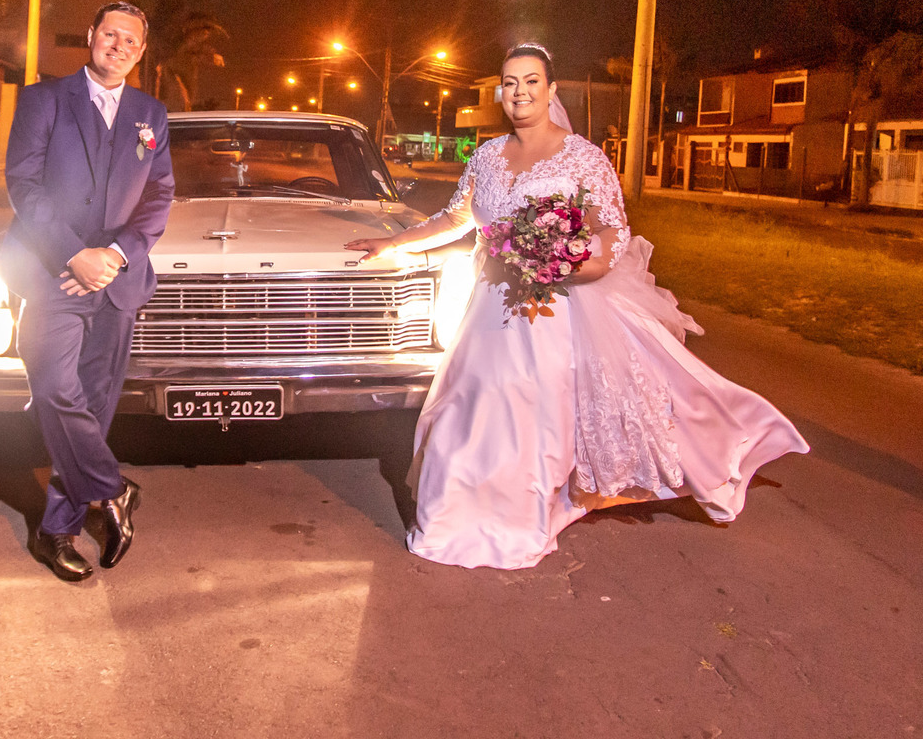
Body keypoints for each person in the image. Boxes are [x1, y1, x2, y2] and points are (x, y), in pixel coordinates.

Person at [345, 43, 808, 570]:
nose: (520, 92)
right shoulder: (486, 156)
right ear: (500, 93)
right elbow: (455, 219)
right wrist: (393, 243)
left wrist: (573, 264)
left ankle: (517, 520)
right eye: (510, 83)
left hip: (548, 312)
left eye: (531, 81)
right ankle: (453, 518)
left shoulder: (583, 157)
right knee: (465, 409)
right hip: (489, 309)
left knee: (528, 412)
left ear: (551, 90)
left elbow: (613, 230)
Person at [0, 1, 175, 581]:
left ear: (141, 52)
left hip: (117, 281)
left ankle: (57, 532)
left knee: (95, 408)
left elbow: (159, 195)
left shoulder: (151, 113)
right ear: (92, 35)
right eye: (111, 34)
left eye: (131, 40)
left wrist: (117, 255)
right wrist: (74, 253)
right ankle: (113, 488)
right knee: (54, 388)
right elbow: (24, 183)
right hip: (55, 270)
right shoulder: (44, 99)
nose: (119, 46)